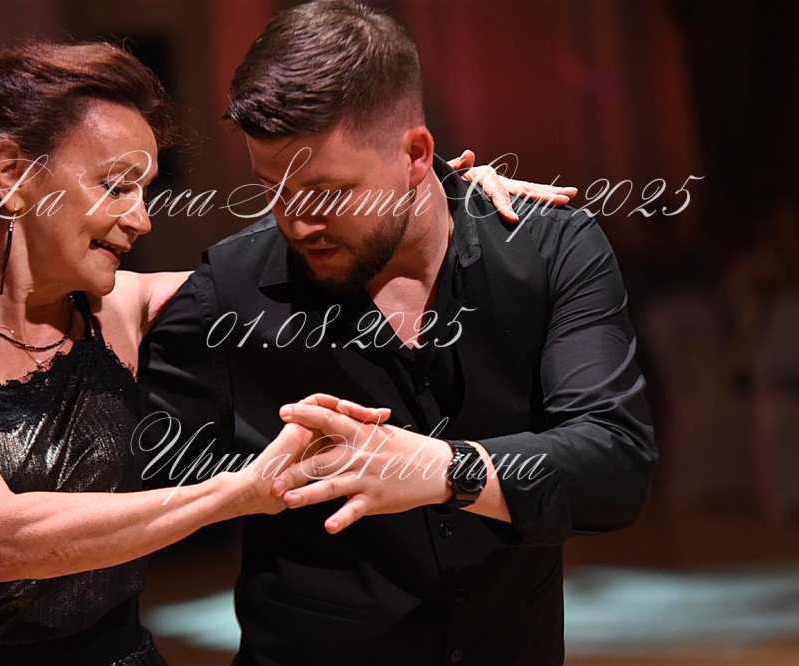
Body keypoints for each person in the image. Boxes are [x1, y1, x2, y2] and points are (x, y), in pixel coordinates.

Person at [0, 36, 566, 664]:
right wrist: (242, 492)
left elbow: (321, 251)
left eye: (146, 190)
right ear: (11, 173)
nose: (141, 220)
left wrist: (432, 193)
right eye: (115, 186)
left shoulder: (128, 313)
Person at [138, 1, 657, 664]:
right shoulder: (229, 292)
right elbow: (132, 492)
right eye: (273, 189)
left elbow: (615, 466)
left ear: (415, 155)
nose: (297, 223)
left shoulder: (549, 249)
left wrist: (442, 470)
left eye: (327, 192)